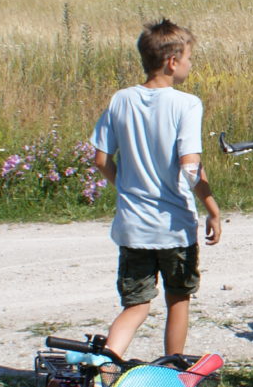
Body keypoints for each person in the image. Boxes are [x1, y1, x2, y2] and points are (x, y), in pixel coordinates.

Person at [89, 19, 222, 361]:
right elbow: (190, 165)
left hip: (133, 226)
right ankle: (173, 371)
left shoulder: (121, 100)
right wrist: (212, 208)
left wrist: (126, 187)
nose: (191, 64)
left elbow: (101, 159)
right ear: (172, 61)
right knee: (178, 299)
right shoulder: (186, 104)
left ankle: (104, 368)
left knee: (136, 305)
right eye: (190, 57)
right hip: (174, 226)